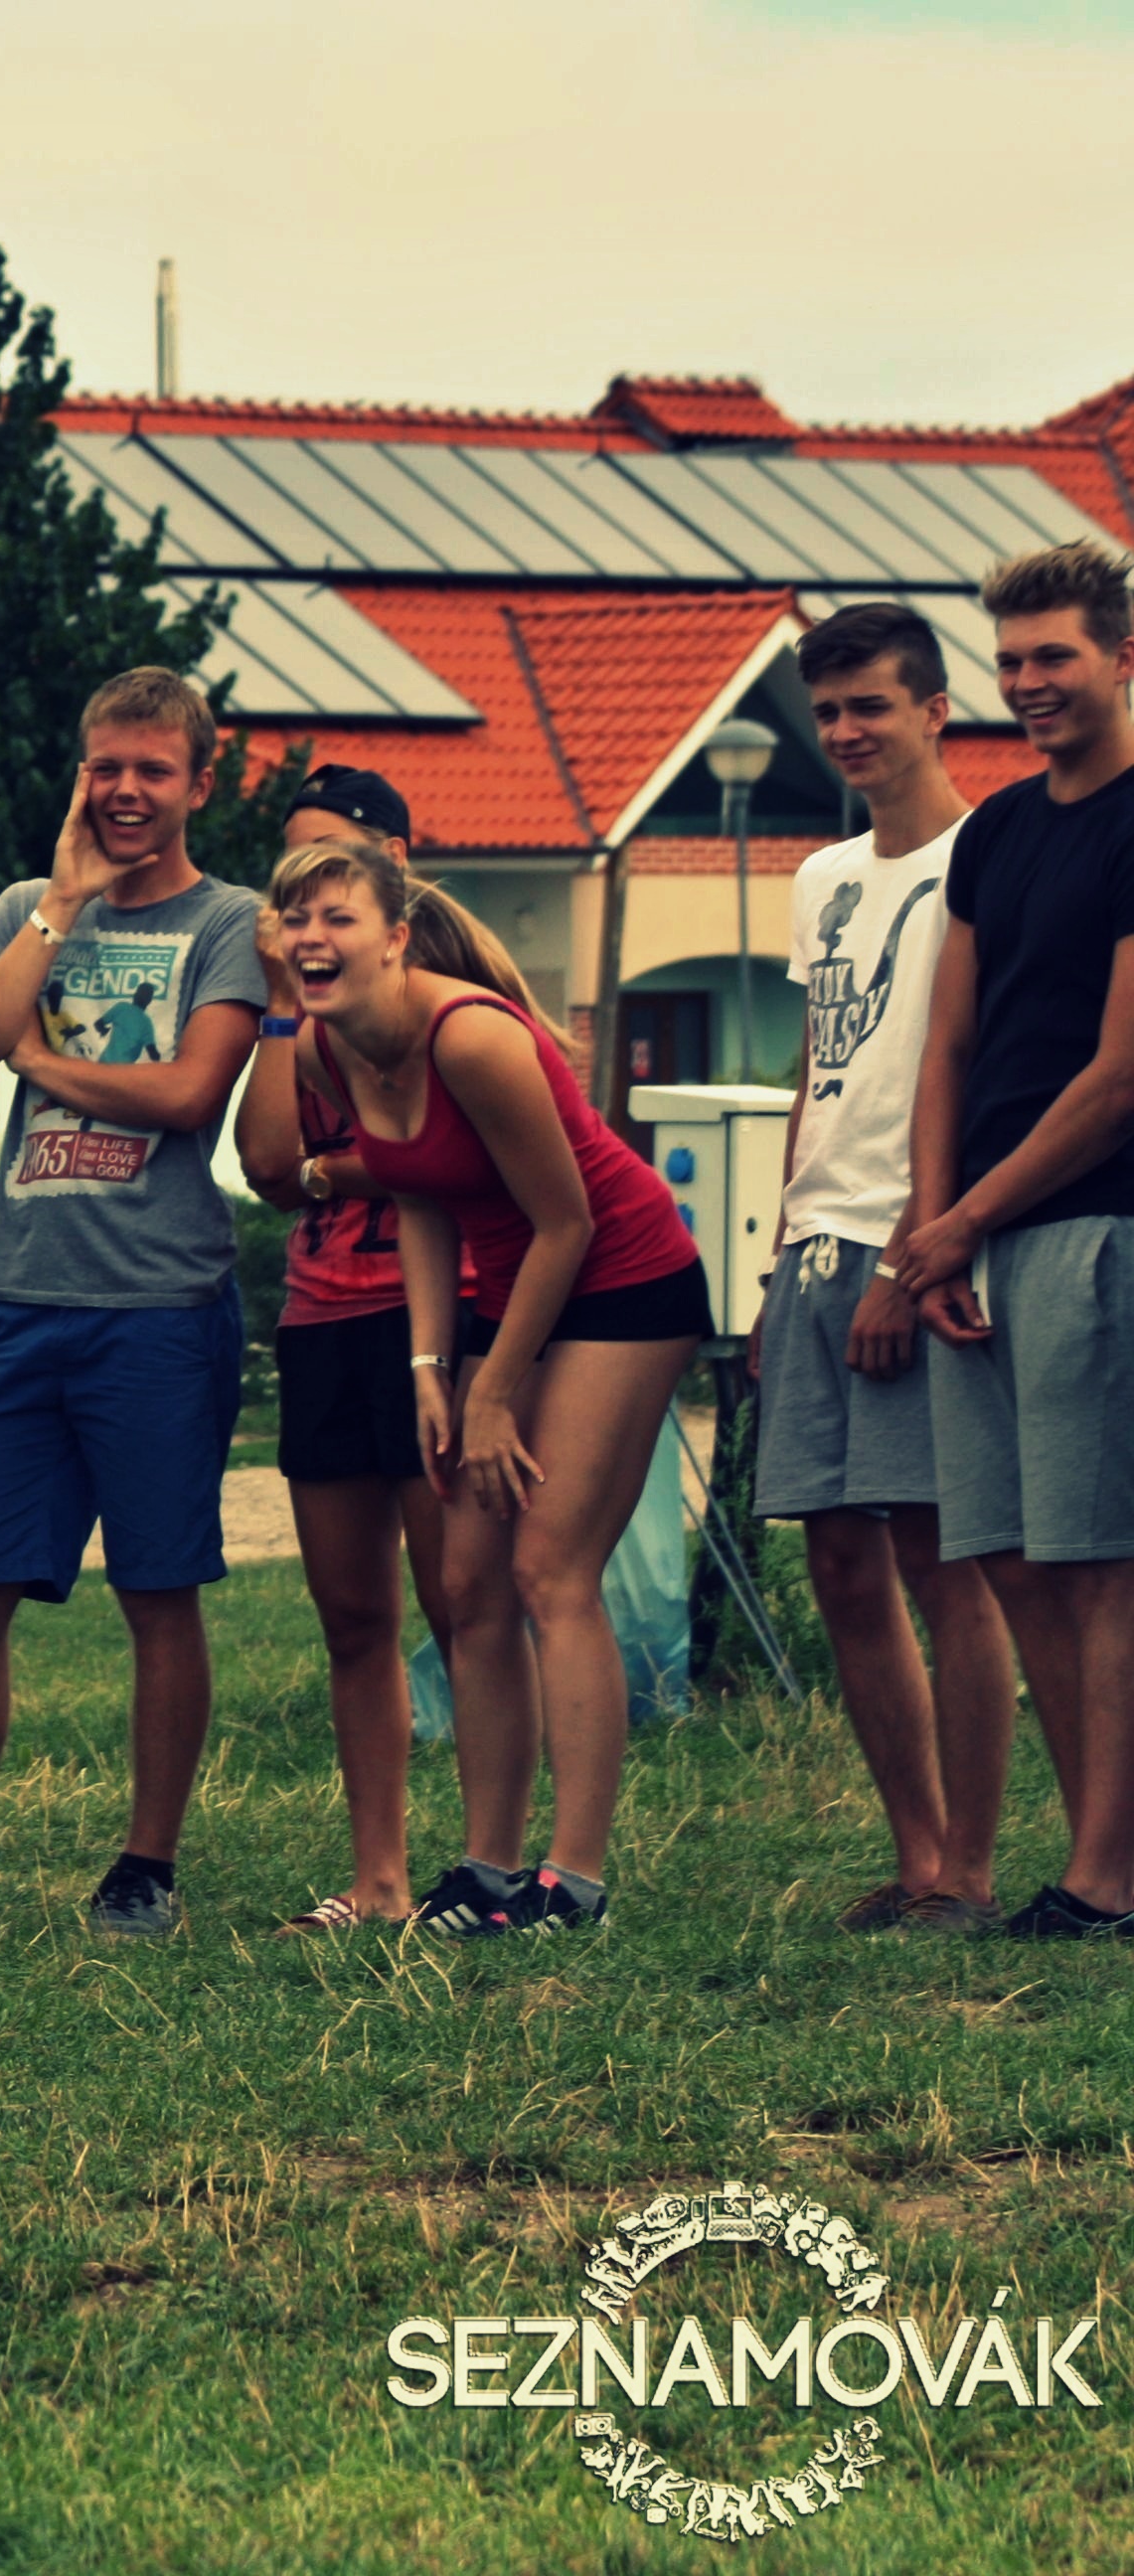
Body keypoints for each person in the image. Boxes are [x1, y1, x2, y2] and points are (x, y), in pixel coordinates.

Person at [0, 669, 266, 1941]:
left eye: (153, 770)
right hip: (24, 1294)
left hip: (160, 1303)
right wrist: (63, 905)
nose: (126, 790)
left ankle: (146, 1868)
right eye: (106, 767)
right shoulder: (26, 909)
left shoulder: (230, 922)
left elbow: (189, 1095)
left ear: (199, 783)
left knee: (158, 1591)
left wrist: (39, 1055)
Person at [292, 839, 707, 1936]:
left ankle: (574, 1881)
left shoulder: (473, 1037)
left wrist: (490, 1393)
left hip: (623, 1279)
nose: (311, 940)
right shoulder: (327, 1050)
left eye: (337, 918)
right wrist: (432, 1368)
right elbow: (419, 1196)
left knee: (548, 1568)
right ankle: (487, 1871)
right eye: (295, 920)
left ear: (394, 937)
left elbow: (569, 1224)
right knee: (468, 1582)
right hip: (510, 1286)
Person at [753, 601, 1013, 1934]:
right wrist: (776, 1250)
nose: (848, 731)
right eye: (831, 713)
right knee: (840, 1566)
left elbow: (970, 1073)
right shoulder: (822, 876)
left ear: (934, 711)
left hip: (913, 1241)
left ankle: (969, 1867)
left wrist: (912, 1258)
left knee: (938, 1556)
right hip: (813, 1245)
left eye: (872, 706)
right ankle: (913, 1857)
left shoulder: (990, 856)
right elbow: (822, 1065)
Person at [899, 541, 1134, 1942]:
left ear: (1122, 659)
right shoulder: (995, 832)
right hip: (976, 1237)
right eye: (1011, 661)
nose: (1029, 682)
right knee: (1009, 1551)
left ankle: (1105, 1879)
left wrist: (971, 1219)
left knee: (1100, 1558)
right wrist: (936, 1230)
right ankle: (1102, 1854)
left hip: (1095, 1226)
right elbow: (948, 1044)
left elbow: (1119, 1077)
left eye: (1055, 656)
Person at [233, 768, 484, 1931]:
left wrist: (337, 1170)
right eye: (290, 879)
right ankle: (379, 1879)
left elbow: (462, 1153)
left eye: (331, 865)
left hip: (442, 1313)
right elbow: (268, 1168)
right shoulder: (304, 1010)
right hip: (324, 1315)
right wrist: (281, 1010)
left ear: (394, 867)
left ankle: (485, 1869)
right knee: (352, 1615)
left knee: (462, 1603)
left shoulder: (455, 989)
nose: (304, 900)